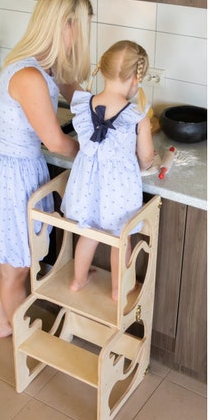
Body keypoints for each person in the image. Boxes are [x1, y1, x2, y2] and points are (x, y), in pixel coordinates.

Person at [0, 0, 93, 338]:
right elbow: (56, 143)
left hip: (6, 168)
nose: (83, 36)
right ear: (65, 25)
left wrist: (110, 114)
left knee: (3, 258)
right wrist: (93, 154)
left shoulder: (45, 63)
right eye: (81, 27)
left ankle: (3, 323)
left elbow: (80, 99)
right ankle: (23, 340)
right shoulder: (30, 76)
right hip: (10, 176)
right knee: (17, 267)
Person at [61, 40, 155, 302]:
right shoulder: (136, 115)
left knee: (88, 234)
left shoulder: (83, 105)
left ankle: (78, 281)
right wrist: (148, 162)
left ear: (101, 70)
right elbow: (146, 158)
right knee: (120, 239)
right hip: (119, 190)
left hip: (86, 187)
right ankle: (118, 290)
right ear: (136, 80)